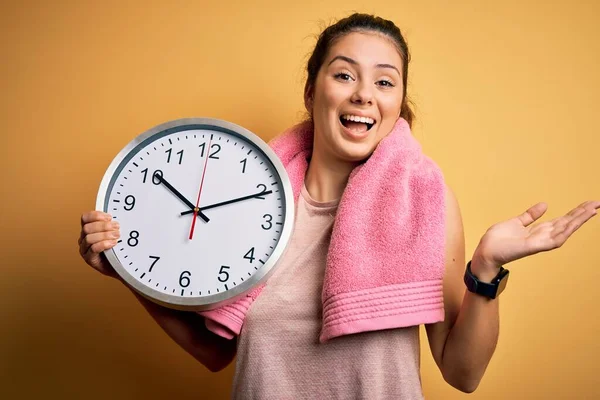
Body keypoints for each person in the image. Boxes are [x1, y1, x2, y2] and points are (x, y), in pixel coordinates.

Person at [78, 13, 599, 399]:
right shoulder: (244, 207)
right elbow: (215, 351)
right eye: (344, 74)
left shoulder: (424, 202)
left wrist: (486, 268)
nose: (363, 95)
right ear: (312, 92)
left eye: (385, 81)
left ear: (398, 105)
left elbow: (461, 373)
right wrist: (127, 270)